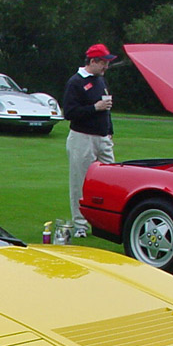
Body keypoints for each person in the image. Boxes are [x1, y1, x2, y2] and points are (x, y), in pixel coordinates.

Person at [62, 43, 118, 237]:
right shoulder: (75, 82)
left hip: (103, 139)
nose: (106, 67)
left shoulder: (100, 80)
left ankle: (104, 223)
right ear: (93, 61)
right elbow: (69, 112)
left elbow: (106, 110)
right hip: (82, 139)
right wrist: (95, 107)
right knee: (80, 183)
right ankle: (80, 226)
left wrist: (109, 132)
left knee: (109, 182)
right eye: (103, 63)